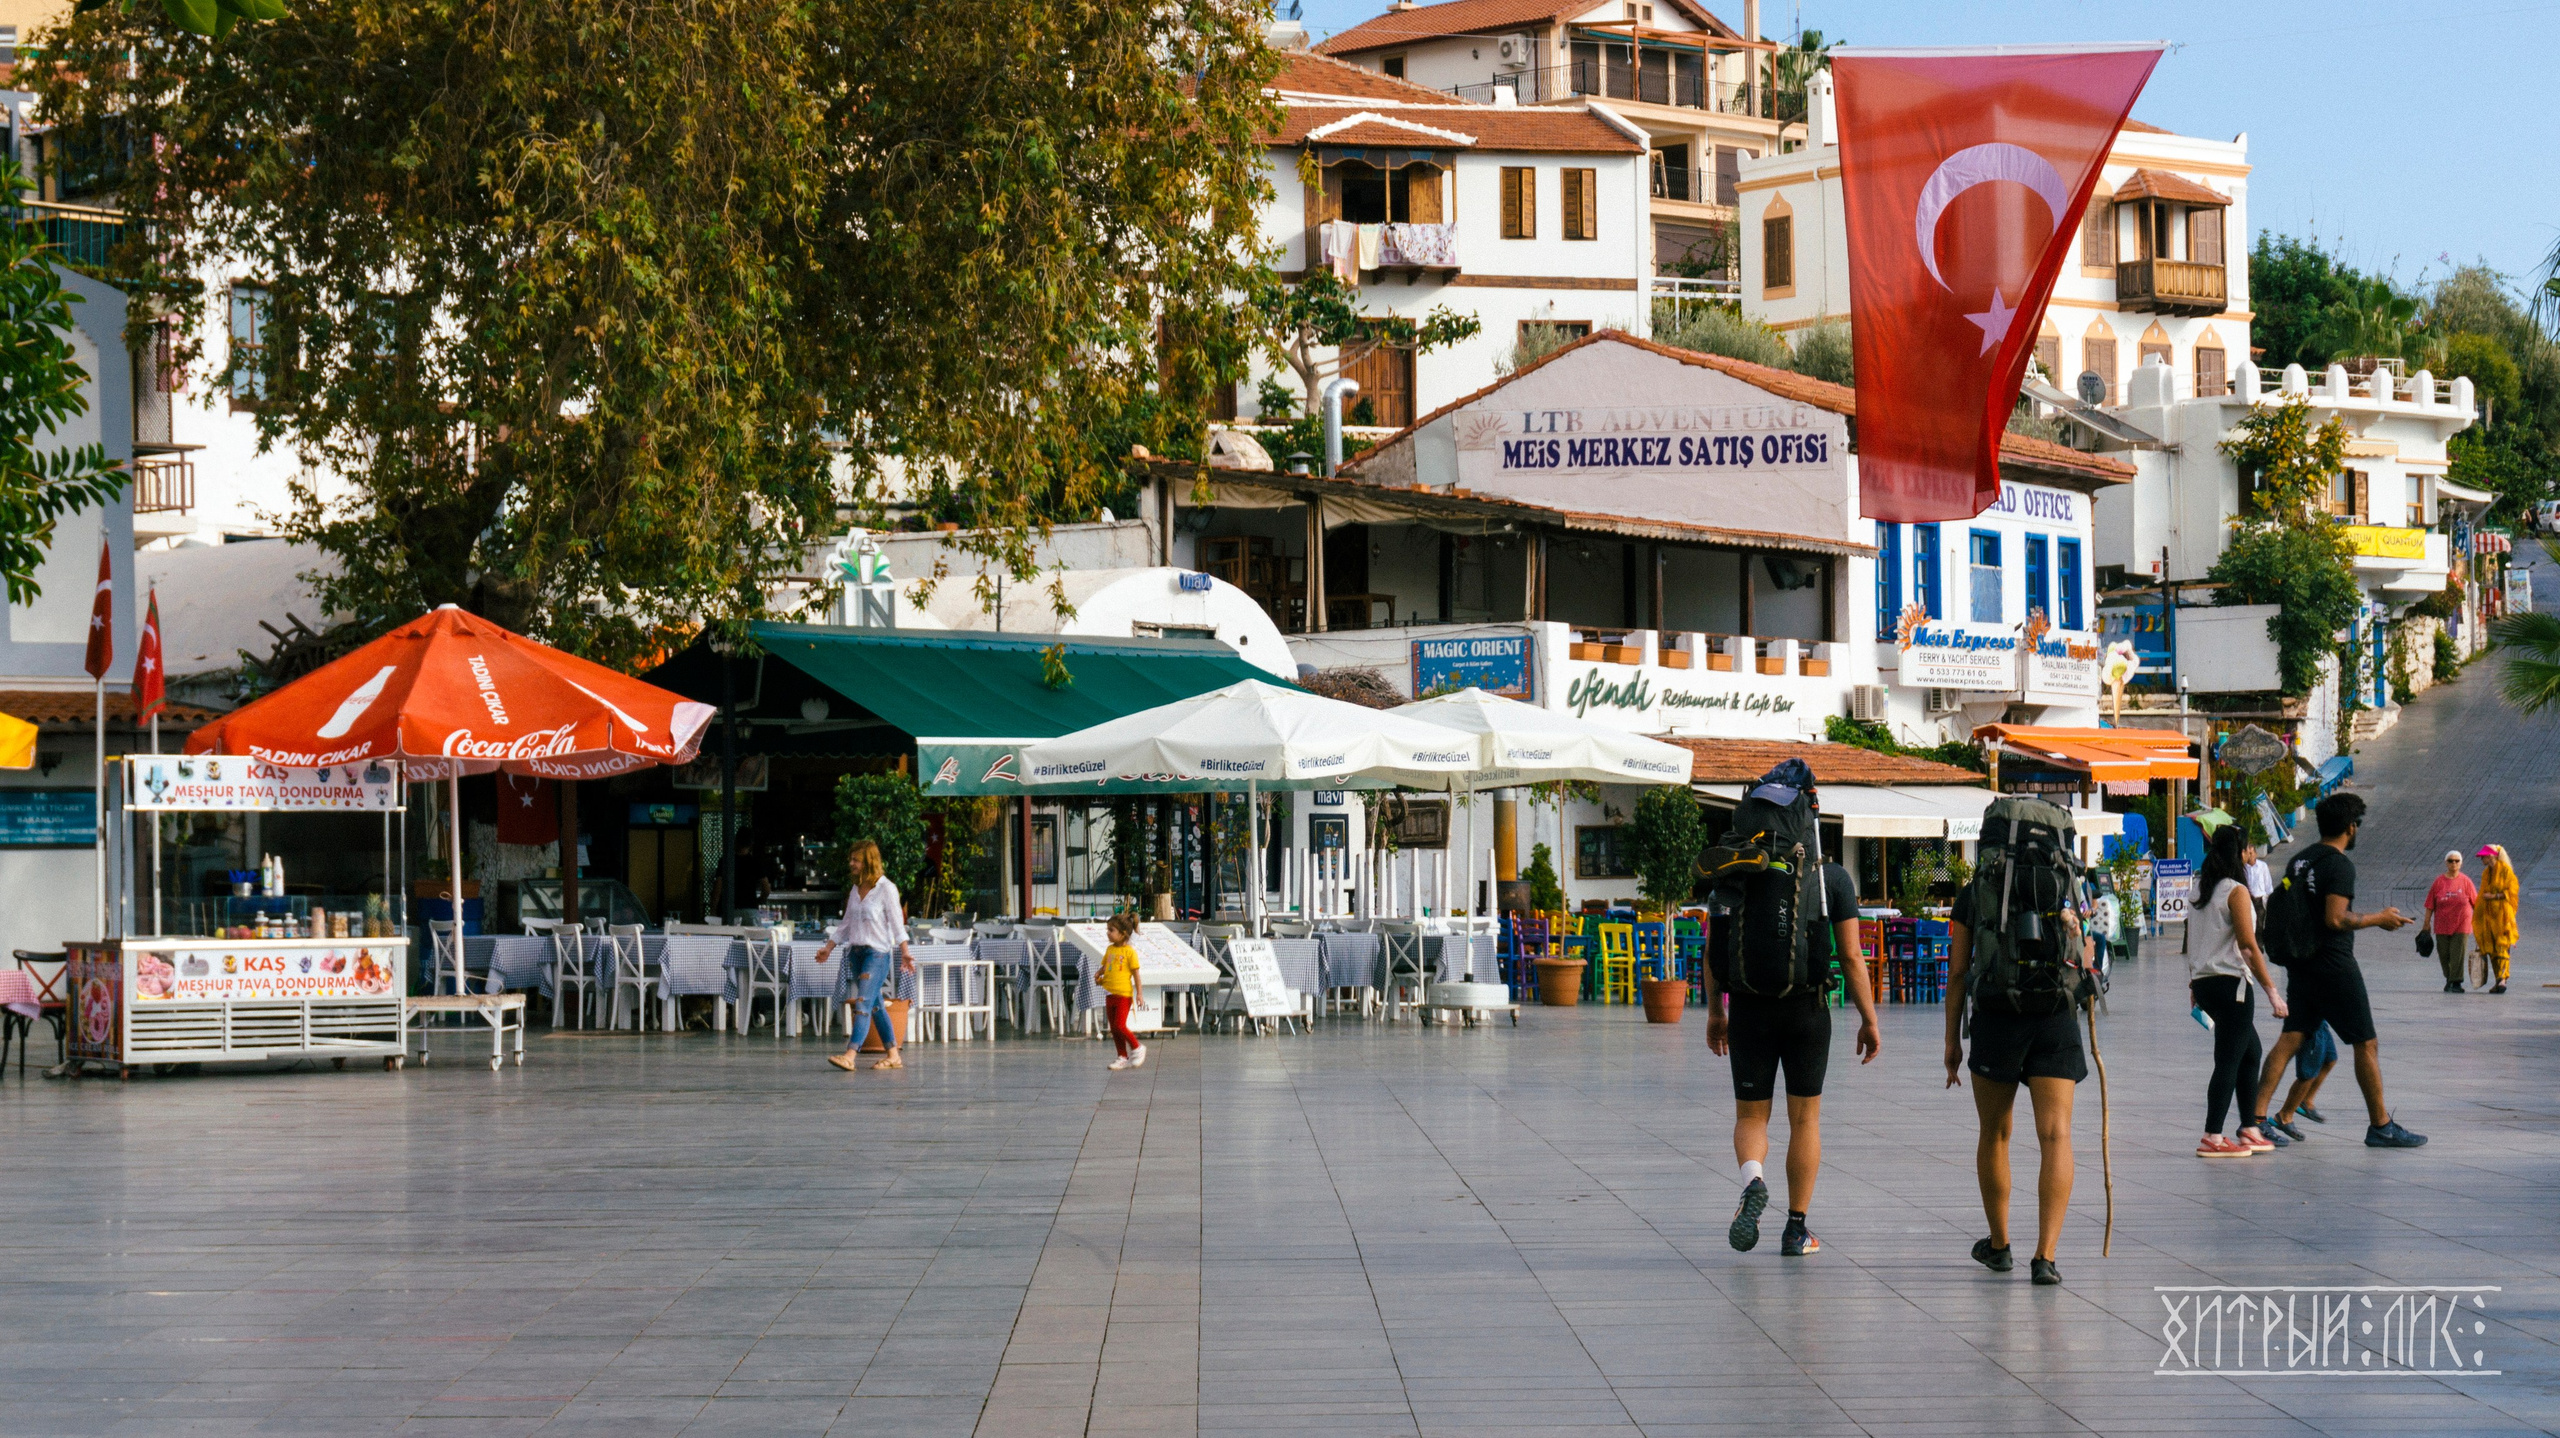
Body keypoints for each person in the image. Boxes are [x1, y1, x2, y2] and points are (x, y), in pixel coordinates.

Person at [1705, 768, 1881, 1260]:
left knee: (1750, 1115)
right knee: (1805, 1120)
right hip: (1807, 1009)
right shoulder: (1831, 878)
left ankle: (1752, 1180)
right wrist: (1868, 1018)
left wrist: (1715, 1013)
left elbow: (1713, 946)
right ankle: (1796, 1228)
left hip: (1746, 1007)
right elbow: (1850, 957)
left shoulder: (1732, 867)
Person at [1945, 818, 2092, 1287]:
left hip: (1997, 1016)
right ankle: (2045, 1257)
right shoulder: (2066, 883)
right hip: (2054, 1014)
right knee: (2056, 1136)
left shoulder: (1974, 892)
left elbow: (1958, 974)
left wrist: (1952, 1041)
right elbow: (2086, 952)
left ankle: (1999, 1244)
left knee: (1995, 1134)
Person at [2248, 793, 2424, 1148]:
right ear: (2350, 827)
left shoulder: (2301, 860)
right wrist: (2381, 919)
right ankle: (2381, 1125)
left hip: (2302, 965)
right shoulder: (2339, 865)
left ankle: (2256, 1119)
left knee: (2291, 1038)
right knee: (2366, 1043)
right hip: (2334, 965)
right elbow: (2335, 917)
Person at [2188, 826, 2288, 1158]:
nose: (2251, 855)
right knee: (2229, 1059)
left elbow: (2196, 942)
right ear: (2240, 853)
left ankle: (2249, 1127)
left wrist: (2194, 983)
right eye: (2248, 849)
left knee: (2250, 1052)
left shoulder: (2198, 890)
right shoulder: (2236, 891)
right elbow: (2247, 946)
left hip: (2205, 983)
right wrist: (2273, 991)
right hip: (2231, 984)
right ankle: (2212, 1136)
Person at [815, 839, 914, 1072]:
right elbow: (846, 924)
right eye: (851, 859)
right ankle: (893, 1055)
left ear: (868, 862)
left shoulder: (886, 889)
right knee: (875, 1003)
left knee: (862, 1003)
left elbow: (897, 924)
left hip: (877, 954)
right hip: (857, 954)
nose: (852, 864)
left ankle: (850, 1054)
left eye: (856, 860)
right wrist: (828, 948)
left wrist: (905, 951)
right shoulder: (855, 889)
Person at [2268, 1020, 2338, 1139]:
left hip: (2322, 1020)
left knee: (2329, 1059)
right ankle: (2284, 1116)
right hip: (2311, 1019)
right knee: (2308, 1073)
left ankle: (2305, 1100)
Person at [1097, 911, 1147, 1070]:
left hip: (1123, 994)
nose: (1108, 933)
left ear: (1123, 934)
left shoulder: (1130, 952)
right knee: (1113, 1027)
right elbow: (1107, 965)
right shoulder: (1110, 949)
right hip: (1109, 993)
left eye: (1111, 930)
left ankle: (1137, 1047)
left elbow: (1136, 975)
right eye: (1108, 930)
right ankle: (1122, 1056)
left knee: (1119, 1024)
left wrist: (1139, 993)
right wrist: (1099, 974)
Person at [2424, 850, 2477, 994]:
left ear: (2461, 863)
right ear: (2446, 863)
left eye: (2457, 861)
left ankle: (2457, 981)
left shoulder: (2466, 881)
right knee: (2444, 954)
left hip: (2462, 923)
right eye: (2451, 861)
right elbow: (2430, 904)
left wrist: (2479, 923)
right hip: (2442, 924)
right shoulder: (2439, 881)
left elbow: (2476, 904)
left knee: (2457, 954)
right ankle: (2449, 979)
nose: (2454, 863)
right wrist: (2426, 924)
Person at [2474, 844, 2518, 994]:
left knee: (2502, 946)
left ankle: (2503, 979)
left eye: (2484, 856)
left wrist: (2495, 896)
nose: (2482, 859)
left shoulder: (2505, 870)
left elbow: (2512, 891)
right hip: (2488, 915)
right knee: (2491, 947)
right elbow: (2481, 893)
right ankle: (2498, 979)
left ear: (2492, 856)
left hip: (2502, 915)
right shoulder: (2486, 873)